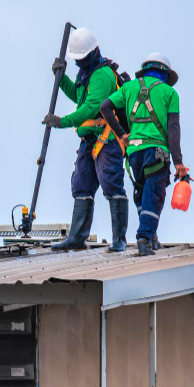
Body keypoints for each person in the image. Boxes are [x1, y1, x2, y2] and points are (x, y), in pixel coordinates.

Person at [42, 28, 129, 251]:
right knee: (81, 185)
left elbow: (91, 108)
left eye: (81, 59)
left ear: (92, 53)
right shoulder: (87, 74)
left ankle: (119, 240)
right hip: (89, 141)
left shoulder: (101, 75)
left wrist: (62, 121)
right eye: (76, 60)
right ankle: (77, 238)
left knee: (111, 184)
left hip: (106, 140)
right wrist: (61, 79)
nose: (79, 63)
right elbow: (79, 97)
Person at [100, 53, 188, 256]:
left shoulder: (129, 88)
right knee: (154, 196)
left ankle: (151, 236)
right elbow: (173, 129)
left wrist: (122, 133)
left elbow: (105, 107)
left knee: (142, 194)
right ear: (165, 73)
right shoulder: (169, 93)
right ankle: (144, 238)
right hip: (156, 153)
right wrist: (179, 162)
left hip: (133, 156)